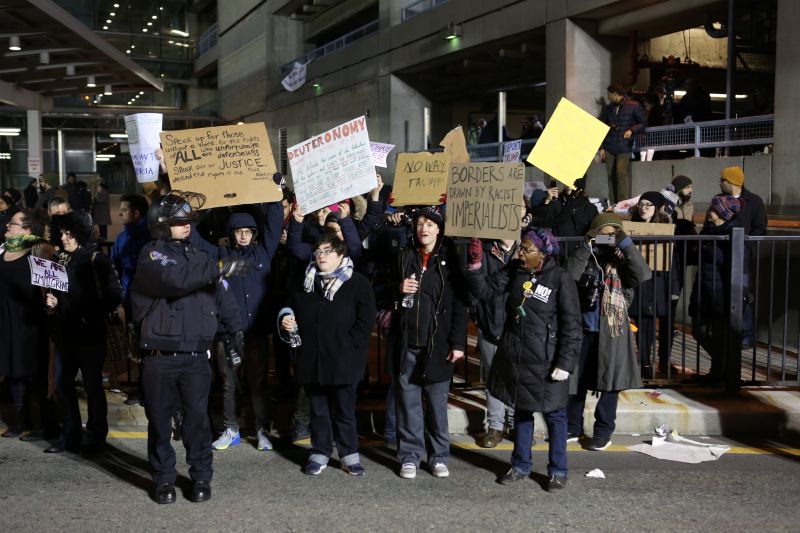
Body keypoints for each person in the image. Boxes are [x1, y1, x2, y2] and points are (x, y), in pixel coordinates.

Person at [130, 190, 247, 504]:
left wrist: (234, 332)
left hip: (196, 356)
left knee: (198, 422)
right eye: (179, 222)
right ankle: (164, 480)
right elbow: (176, 280)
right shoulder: (152, 255)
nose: (186, 227)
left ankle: (201, 477)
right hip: (159, 356)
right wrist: (219, 266)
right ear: (161, 225)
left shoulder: (203, 259)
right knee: (159, 423)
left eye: (188, 222)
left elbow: (224, 299)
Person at [465, 228, 582, 490]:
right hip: (518, 357)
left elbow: (572, 326)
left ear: (543, 253)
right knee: (521, 413)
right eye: (521, 248)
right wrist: (474, 266)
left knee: (555, 417)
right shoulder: (514, 271)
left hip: (548, 361)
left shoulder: (560, 279)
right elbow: (485, 290)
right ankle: (520, 465)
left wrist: (565, 363)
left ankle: (558, 470)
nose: (520, 253)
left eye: (526, 250)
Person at [190, 195, 283, 453]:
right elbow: (195, 240)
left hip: (255, 335)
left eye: (247, 231)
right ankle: (231, 429)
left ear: (253, 233)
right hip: (227, 335)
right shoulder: (221, 255)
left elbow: (275, 225)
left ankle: (262, 429)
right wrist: (200, 211)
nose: (243, 236)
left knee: (258, 383)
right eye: (238, 231)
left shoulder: (264, 252)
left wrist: (274, 195)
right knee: (229, 383)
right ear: (231, 234)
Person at [278, 234, 376, 476]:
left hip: (344, 359)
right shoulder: (306, 281)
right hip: (312, 358)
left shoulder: (358, 282)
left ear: (341, 255)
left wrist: (349, 346)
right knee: (318, 410)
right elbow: (289, 307)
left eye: (328, 251)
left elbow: (366, 322)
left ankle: (349, 455)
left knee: (344, 411)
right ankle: (320, 452)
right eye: (318, 251)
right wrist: (286, 319)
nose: (321, 256)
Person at [389, 206, 468, 479]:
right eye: (421, 222)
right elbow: (381, 290)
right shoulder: (404, 256)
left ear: (439, 229)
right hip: (407, 343)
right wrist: (397, 289)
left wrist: (458, 343)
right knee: (408, 405)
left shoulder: (449, 261)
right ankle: (410, 456)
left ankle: (438, 456)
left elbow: (460, 304)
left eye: (430, 224)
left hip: (438, 346)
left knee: (436, 405)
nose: (424, 228)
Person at [566, 213, 651, 450]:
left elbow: (643, 274)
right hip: (583, 329)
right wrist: (586, 247)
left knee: (610, 382)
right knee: (576, 381)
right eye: (603, 233)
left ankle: (603, 432)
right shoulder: (586, 255)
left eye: (612, 233)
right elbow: (569, 276)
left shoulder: (623, 261)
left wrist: (624, 243)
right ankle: (572, 427)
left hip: (612, 331)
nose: (607, 238)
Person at [44, 212, 123, 454]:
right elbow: (56, 291)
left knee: (92, 387)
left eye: (70, 233)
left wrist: (75, 307)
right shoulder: (59, 258)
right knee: (62, 385)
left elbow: (114, 295)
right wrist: (51, 300)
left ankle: (97, 437)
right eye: (62, 233)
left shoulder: (96, 259)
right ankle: (71, 435)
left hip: (89, 334)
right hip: (65, 333)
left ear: (80, 234)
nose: (64, 238)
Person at [0, 209, 57, 440]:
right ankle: (19, 421)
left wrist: (53, 304)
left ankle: (42, 425)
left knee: (34, 374)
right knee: (14, 373)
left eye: (12, 223)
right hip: (6, 322)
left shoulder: (39, 250)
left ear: (26, 229)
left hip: (30, 323)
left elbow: (53, 287)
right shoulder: (3, 250)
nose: (6, 226)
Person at [469, 236, 519, 449]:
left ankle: (516, 424)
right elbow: (475, 285)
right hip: (490, 323)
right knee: (493, 378)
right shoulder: (484, 248)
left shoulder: (527, 247)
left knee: (517, 376)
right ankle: (496, 427)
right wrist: (477, 313)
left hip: (517, 325)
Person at [689, 195, 741, 383]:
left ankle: (720, 372)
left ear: (722, 213)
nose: (708, 212)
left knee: (718, 335)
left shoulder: (732, 232)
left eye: (712, 209)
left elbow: (724, 261)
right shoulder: (709, 229)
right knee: (698, 330)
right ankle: (722, 367)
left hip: (720, 291)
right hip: (704, 287)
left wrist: (706, 248)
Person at [628, 191, 676, 379]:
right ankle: (644, 361)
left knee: (649, 321)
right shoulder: (629, 227)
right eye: (641, 204)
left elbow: (673, 259)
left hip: (655, 280)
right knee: (640, 321)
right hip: (637, 281)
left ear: (656, 208)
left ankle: (646, 362)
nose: (643, 208)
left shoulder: (665, 227)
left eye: (648, 205)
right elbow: (609, 240)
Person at [110, 194, 152, 406]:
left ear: (136, 213)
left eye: (124, 210)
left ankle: (150, 390)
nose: (120, 213)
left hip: (151, 303)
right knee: (135, 348)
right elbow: (114, 267)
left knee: (150, 348)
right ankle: (142, 387)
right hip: (131, 302)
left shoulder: (152, 237)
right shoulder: (122, 238)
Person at [719, 166, 767, 347]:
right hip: (722, 256)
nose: (719, 183)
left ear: (730, 182)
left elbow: (760, 228)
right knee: (725, 294)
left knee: (743, 295)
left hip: (742, 257)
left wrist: (744, 244)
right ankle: (729, 333)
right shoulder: (719, 199)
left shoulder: (754, 202)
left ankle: (746, 335)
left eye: (722, 180)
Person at [600, 84, 647, 203]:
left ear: (615, 94)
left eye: (609, 95)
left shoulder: (634, 105)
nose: (608, 97)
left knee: (621, 174)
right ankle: (613, 203)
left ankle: (622, 203)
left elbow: (643, 123)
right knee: (610, 175)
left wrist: (631, 130)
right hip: (609, 146)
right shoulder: (608, 108)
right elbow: (603, 128)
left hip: (624, 146)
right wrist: (601, 148)